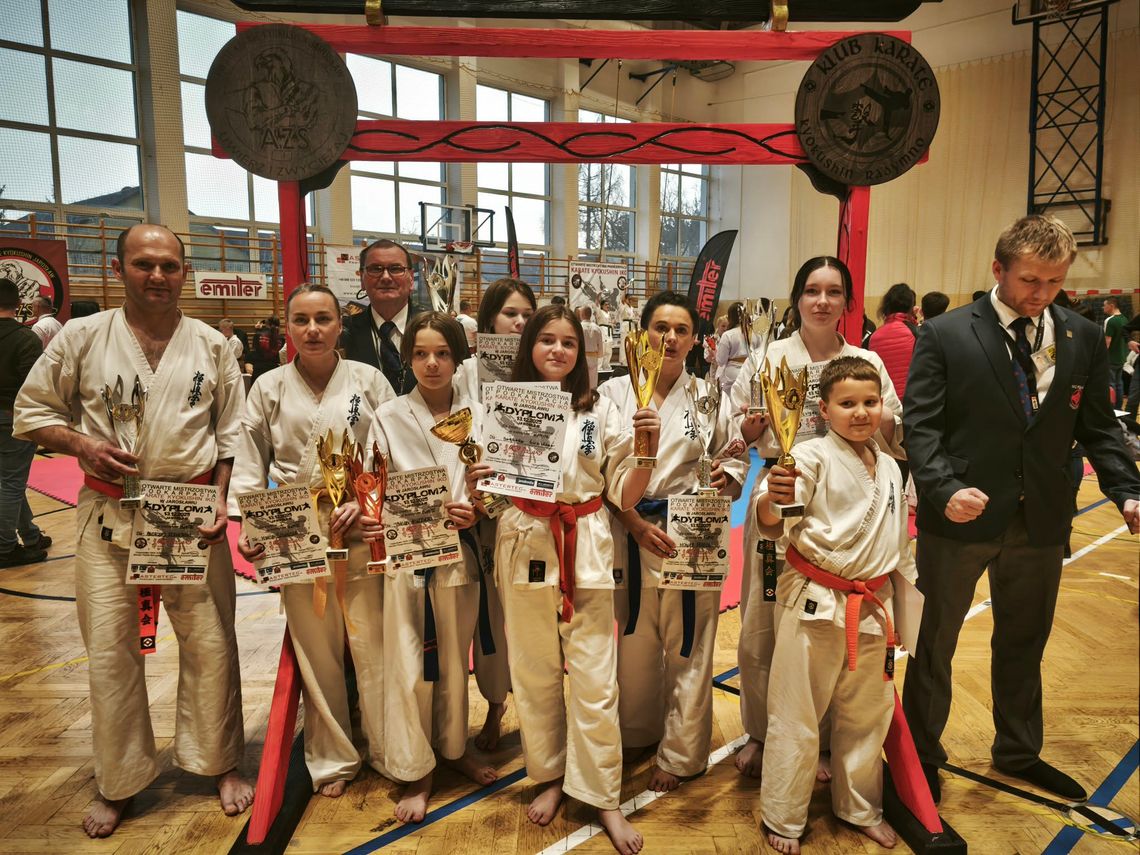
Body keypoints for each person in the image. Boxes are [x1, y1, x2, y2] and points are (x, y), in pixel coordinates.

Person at [13, 224, 253, 837]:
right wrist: (79, 443)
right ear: (119, 270)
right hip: (109, 514)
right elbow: (32, 410)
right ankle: (119, 779)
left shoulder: (212, 344)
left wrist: (221, 499)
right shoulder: (82, 336)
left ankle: (219, 760)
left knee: (212, 641)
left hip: (190, 512)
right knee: (111, 651)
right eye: (144, 264)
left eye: (169, 265)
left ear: (184, 271)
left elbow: (231, 433)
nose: (158, 276)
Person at [902, 215, 1140, 803]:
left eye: (1054, 282)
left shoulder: (1082, 337)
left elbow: (1099, 427)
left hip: (1041, 519)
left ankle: (1017, 750)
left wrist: (1127, 489)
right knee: (935, 644)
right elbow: (921, 426)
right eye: (1030, 280)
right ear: (998, 269)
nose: (1040, 294)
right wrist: (942, 487)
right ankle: (920, 758)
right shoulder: (946, 333)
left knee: (1025, 641)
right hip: (960, 518)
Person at [466, 304, 659, 855]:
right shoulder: (500, 407)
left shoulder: (601, 414)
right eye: (546, 340)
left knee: (597, 680)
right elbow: (487, 490)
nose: (557, 350)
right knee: (533, 670)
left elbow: (625, 493)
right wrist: (481, 477)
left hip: (588, 540)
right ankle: (550, 775)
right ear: (528, 346)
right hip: (524, 533)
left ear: (581, 353)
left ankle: (602, 795)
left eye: (568, 343)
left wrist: (645, 446)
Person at [729, 257, 904, 779]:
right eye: (811, 291)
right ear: (798, 298)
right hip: (780, 496)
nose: (822, 301)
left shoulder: (863, 359)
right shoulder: (768, 357)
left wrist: (865, 410)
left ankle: (826, 740)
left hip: (840, 512)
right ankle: (762, 732)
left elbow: (891, 425)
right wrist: (752, 424)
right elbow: (735, 426)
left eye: (833, 292)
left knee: (828, 635)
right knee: (762, 627)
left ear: (848, 301)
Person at [230, 283, 394, 799]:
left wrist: (370, 501)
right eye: (301, 320)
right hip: (294, 530)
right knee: (316, 651)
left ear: (339, 325)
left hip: (362, 525)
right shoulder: (269, 387)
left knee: (375, 643)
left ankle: (392, 746)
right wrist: (248, 525)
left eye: (323, 319)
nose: (313, 329)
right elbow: (249, 458)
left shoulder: (368, 380)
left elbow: (393, 449)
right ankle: (333, 757)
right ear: (288, 328)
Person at [757, 356, 910, 854]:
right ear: (824, 408)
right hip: (816, 601)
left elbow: (898, 542)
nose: (861, 412)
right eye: (848, 403)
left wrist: (905, 609)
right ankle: (783, 815)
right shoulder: (807, 456)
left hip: (873, 603)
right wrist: (770, 499)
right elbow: (776, 516)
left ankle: (859, 807)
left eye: (870, 402)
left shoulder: (888, 463)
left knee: (867, 714)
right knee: (797, 713)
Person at [599, 291, 745, 794]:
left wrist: (728, 478)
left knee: (691, 641)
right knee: (633, 638)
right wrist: (635, 521)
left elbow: (731, 455)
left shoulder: (709, 395)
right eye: (660, 327)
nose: (670, 337)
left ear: (694, 339)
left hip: (692, 530)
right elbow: (596, 468)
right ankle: (638, 732)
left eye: (681, 329)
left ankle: (683, 753)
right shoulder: (612, 394)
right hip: (627, 526)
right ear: (641, 334)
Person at [361, 311, 496, 823]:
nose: (432, 363)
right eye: (421, 353)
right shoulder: (388, 415)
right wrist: (374, 518)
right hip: (406, 558)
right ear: (408, 358)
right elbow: (372, 487)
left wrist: (480, 506)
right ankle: (416, 768)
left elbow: (503, 490)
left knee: (455, 661)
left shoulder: (481, 414)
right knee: (408, 662)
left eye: (442, 353)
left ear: (458, 359)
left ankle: (455, 750)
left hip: (462, 552)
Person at [465, 276, 538, 749]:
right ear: (490, 318)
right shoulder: (465, 372)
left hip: (535, 507)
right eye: (511, 314)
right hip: (481, 507)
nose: (519, 323)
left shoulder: (546, 363)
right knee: (488, 617)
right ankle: (494, 705)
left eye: (528, 315)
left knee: (536, 612)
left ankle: (541, 708)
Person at [1, 278, 49, 568]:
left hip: (10, 416)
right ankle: (5, 548)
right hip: (12, 417)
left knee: (9, 481)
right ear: (19, 305)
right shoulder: (25, 338)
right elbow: (33, 387)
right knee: (10, 483)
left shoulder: (26, 337)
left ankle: (30, 535)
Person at [341, 238, 430, 394]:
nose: (386, 277)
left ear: (411, 278)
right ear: (362, 278)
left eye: (396, 269)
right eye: (376, 269)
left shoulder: (442, 330)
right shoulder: (343, 333)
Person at [715, 302, 748, 404]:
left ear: (730, 317)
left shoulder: (728, 335)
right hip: (749, 372)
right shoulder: (753, 332)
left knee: (729, 405)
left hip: (732, 374)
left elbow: (721, 361)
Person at [1102, 297, 1128, 407]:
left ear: (1111, 306)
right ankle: (1119, 407)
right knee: (1119, 383)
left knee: (1111, 384)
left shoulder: (1110, 320)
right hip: (1121, 357)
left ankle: (1112, 410)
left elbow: (1107, 342)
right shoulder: (1125, 319)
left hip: (1111, 358)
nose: (1103, 307)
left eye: (1105, 305)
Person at [578, 305, 605, 390]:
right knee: (592, 382)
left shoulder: (579, 327)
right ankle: (592, 397)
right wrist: (599, 355)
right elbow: (600, 344)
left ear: (581, 314)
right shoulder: (597, 328)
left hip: (582, 357)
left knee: (582, 380)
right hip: (593, 357)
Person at [248, 317, 282, 381]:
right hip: (274, 368)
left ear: (266, 324)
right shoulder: (281, 338)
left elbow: (255, 350)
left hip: (259, 369)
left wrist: (257, 330)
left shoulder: (258, 335)